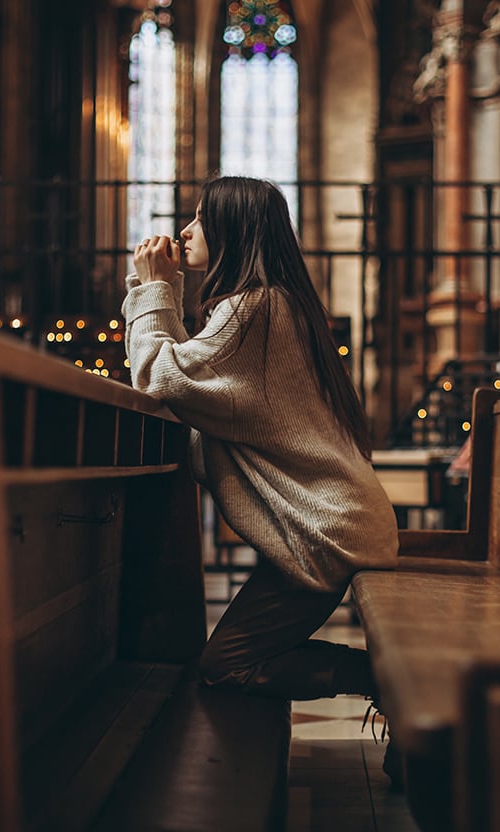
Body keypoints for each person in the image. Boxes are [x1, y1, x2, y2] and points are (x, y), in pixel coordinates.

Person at [121, 175, 399, 706]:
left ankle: (388, 682)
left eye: (201, 217)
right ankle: (387, 681)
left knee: (227, 665)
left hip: (323, 533)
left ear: (233, 228)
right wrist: (167, 292)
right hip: (331, 524)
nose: (186, 230)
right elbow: (196, 385)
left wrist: (155, 288)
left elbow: (160, 374)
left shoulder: (254, 310)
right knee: (228, 659)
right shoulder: (270, 304)